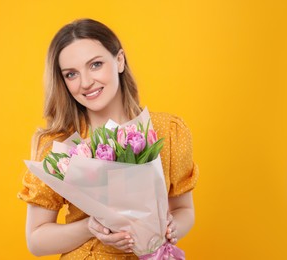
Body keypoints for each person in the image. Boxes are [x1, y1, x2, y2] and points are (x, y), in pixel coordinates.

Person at [18, 18, 199, 259]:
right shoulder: (59, 145)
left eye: (95, 65)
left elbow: (184, 210)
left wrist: (170, 229)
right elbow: (36, 241)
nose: (85, 82)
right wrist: (89, 227)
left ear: (120, 61)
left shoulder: (168, 131)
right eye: (71, 74)